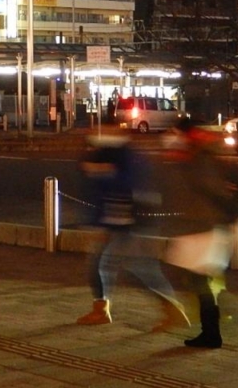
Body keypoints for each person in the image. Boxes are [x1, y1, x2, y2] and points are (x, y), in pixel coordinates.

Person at [75, 122, 188, 331]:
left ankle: (173, 310)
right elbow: (96, 190)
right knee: (101, 266)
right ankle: (101, 309)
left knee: (139, 269)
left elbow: (127, 184)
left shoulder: (127, 156)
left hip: (130, 223)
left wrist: (103, 172)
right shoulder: (105, 154)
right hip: (114, 222)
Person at [163, 117, 238, 349]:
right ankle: (211, 329)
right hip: (199, 226)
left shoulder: (199, 157)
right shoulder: (197, 154)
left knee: (197, 279)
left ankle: (211, 332)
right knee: (197, 279)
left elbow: (211, 189)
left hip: (204, 227)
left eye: (174, 133)